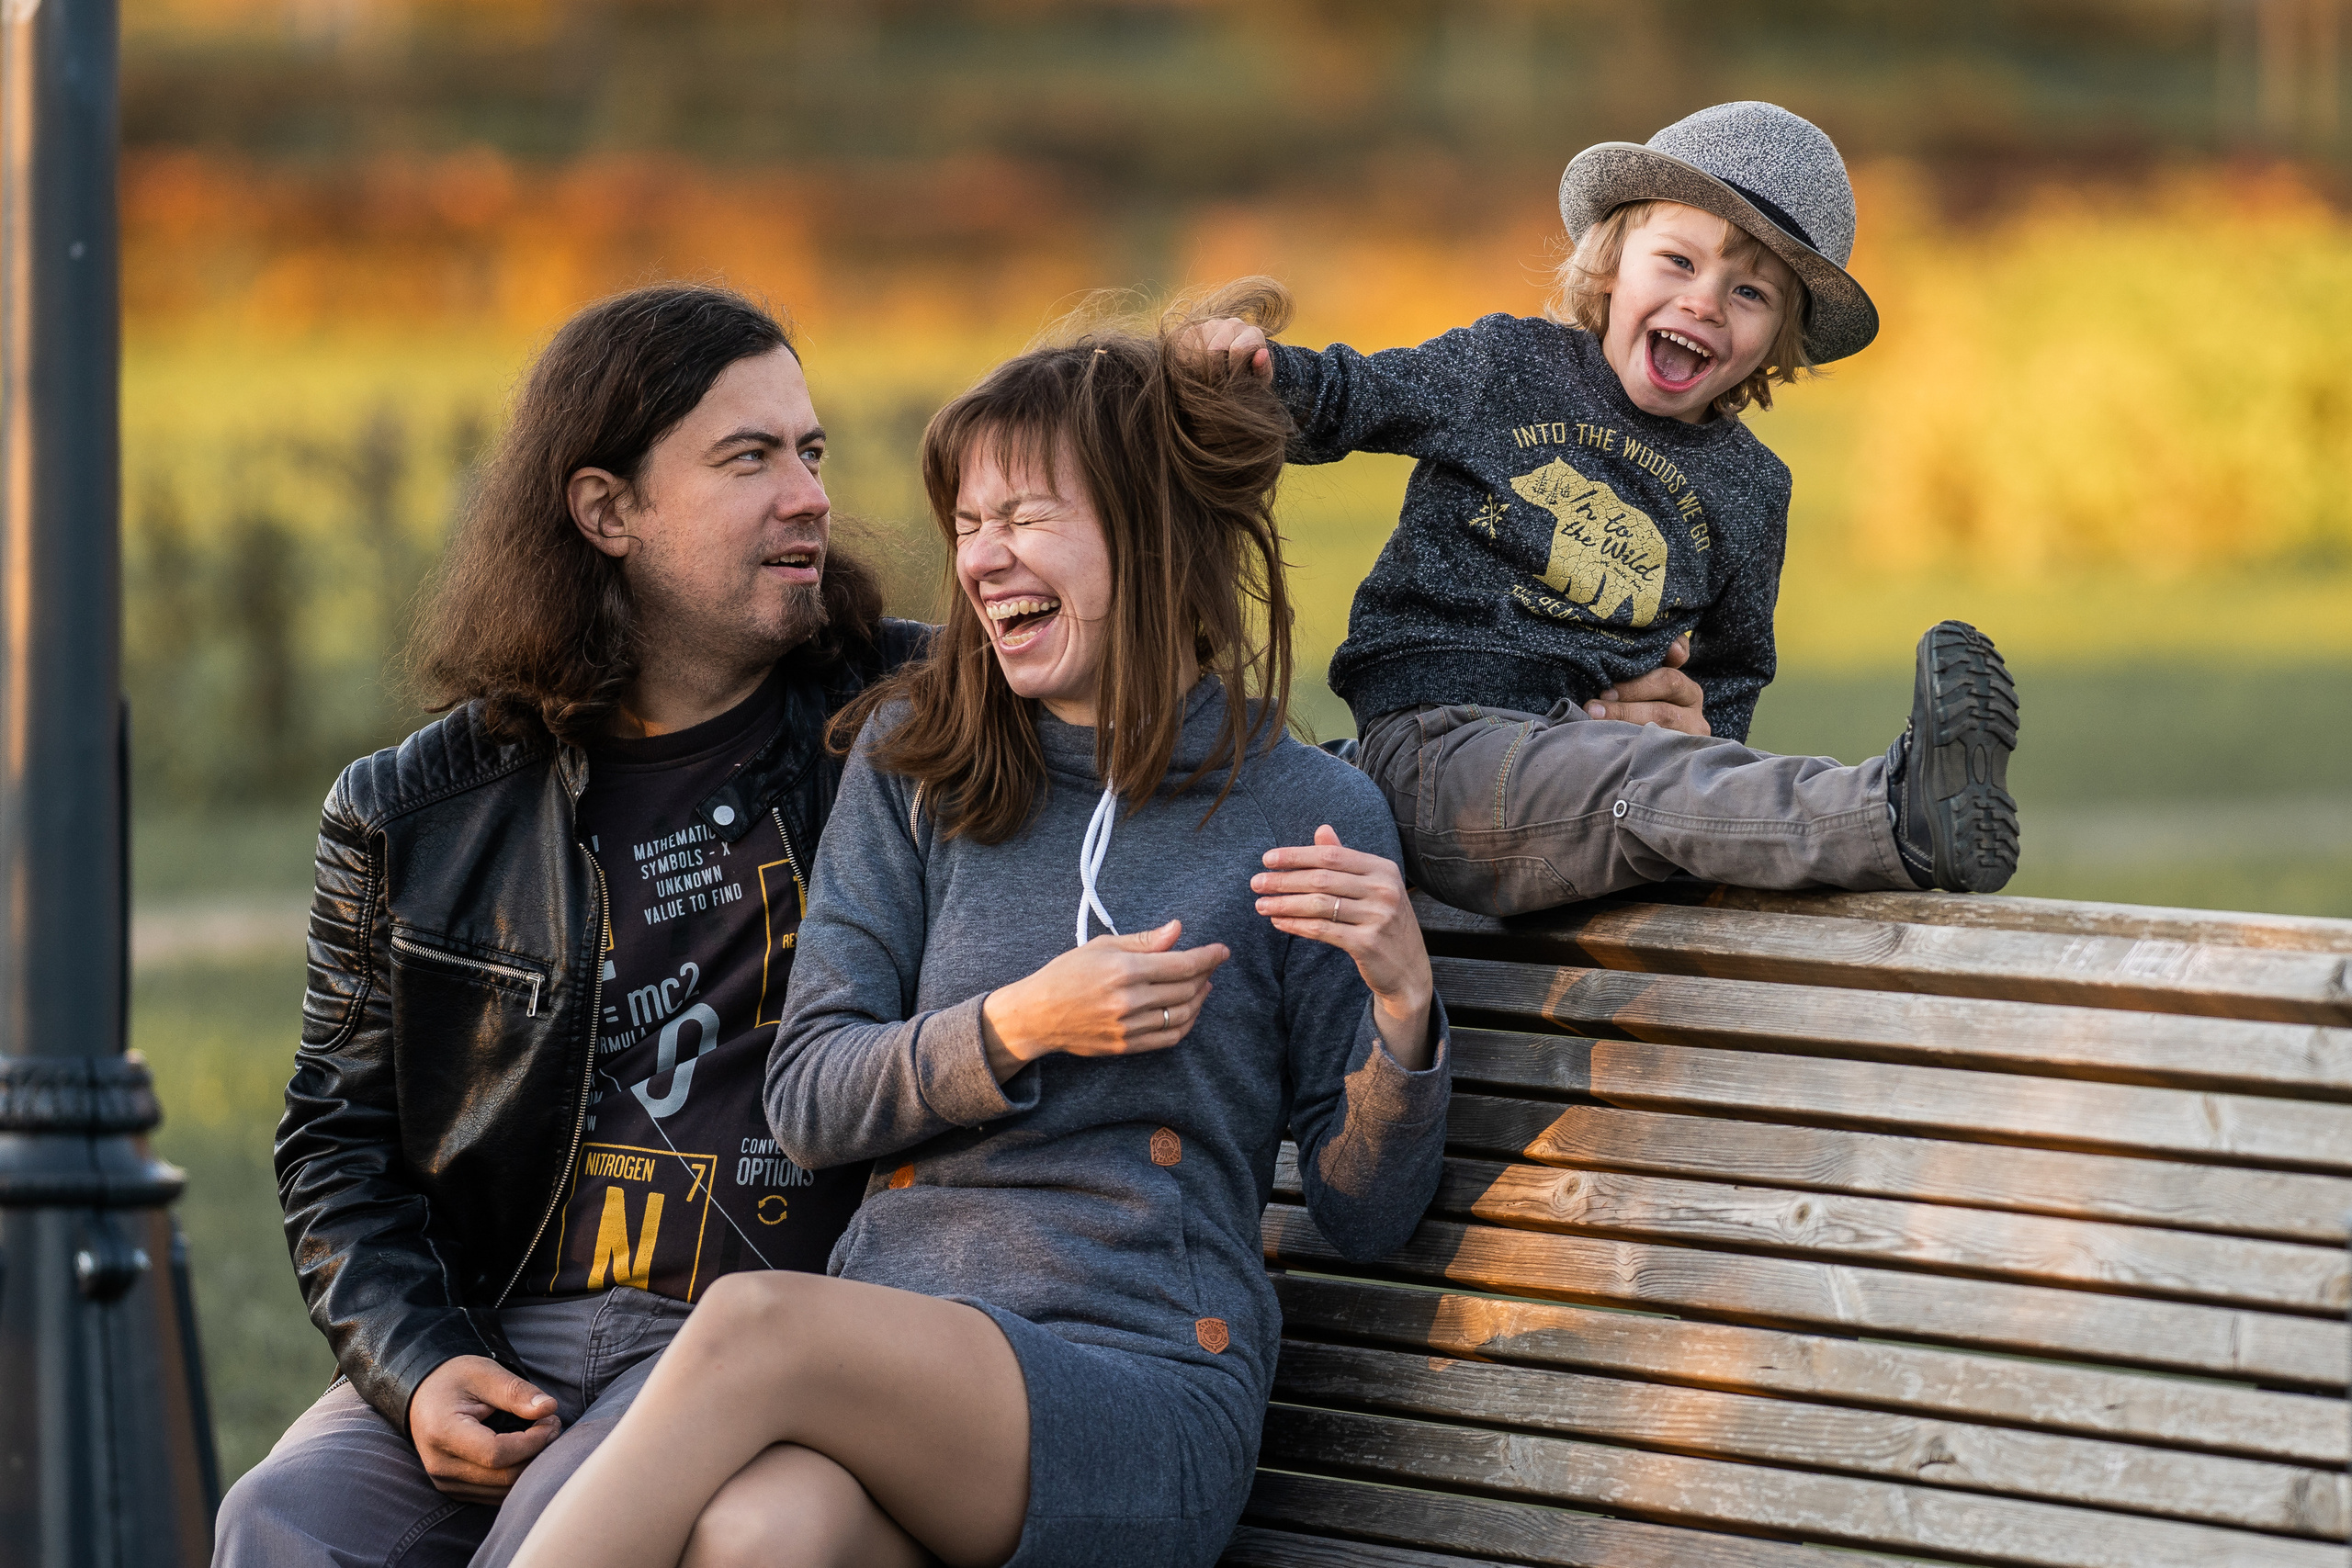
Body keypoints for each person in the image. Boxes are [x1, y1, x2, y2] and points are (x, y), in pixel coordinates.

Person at [501, 290, 1452, 1568]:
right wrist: (1019, 1022)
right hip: (896, 1351)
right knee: (768, 1529)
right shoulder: (921, 763)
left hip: (1139, 1375)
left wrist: (1400, 1016)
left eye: (1026, 517)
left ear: (1153, 532)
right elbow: (813, 1097)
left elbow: (1365, 1211)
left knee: (751, 1326)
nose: (984, 557)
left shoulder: (1303, 812)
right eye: (968, 525)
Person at [214, 283, 929, 1566]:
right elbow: (337, 1140)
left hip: (762, 1338)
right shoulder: (418, 812)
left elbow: (1158, 722)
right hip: (513, 1326)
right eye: (749, 456)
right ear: (606, 510)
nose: (811, 492)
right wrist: (423, 1366)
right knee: (278, 1514)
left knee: (558, 1534)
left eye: (811, 451)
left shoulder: (911, 719)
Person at [1185, 101, 2021, 916]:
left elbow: (1728, 675)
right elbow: (1350, 396)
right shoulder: (1508, 367)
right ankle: (1895, 817)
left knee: (1654, 775)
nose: (1705, 302)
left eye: (1751, 294)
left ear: (1779, 338)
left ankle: (1903, 807)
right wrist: (1246, 371)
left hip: (1598, 767)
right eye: (1679, 262)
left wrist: (1693, 733)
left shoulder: (1753, 489)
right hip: (1438, 755)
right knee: (1638, 780)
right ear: (1612, 262)